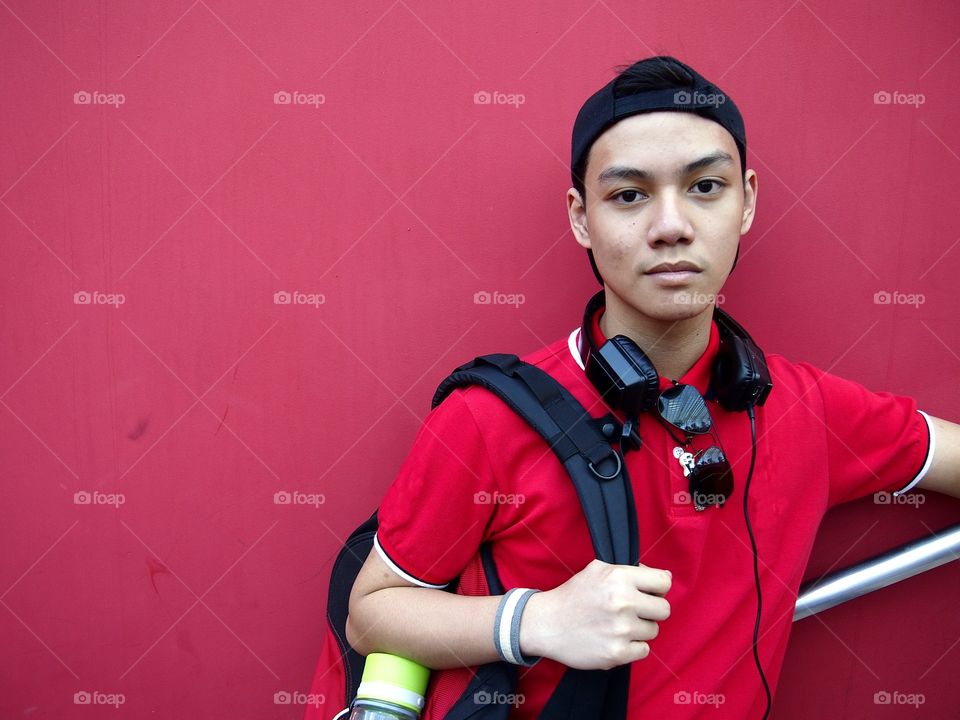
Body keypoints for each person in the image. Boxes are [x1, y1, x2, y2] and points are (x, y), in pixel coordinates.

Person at [344, 56, 960, 719]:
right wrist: (535, 621)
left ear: (747, 200)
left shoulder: (808, 411)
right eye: (629, 195)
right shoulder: (489, 419)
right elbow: (371, 612)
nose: (670, 225)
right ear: (582, 218)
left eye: (705, 186)